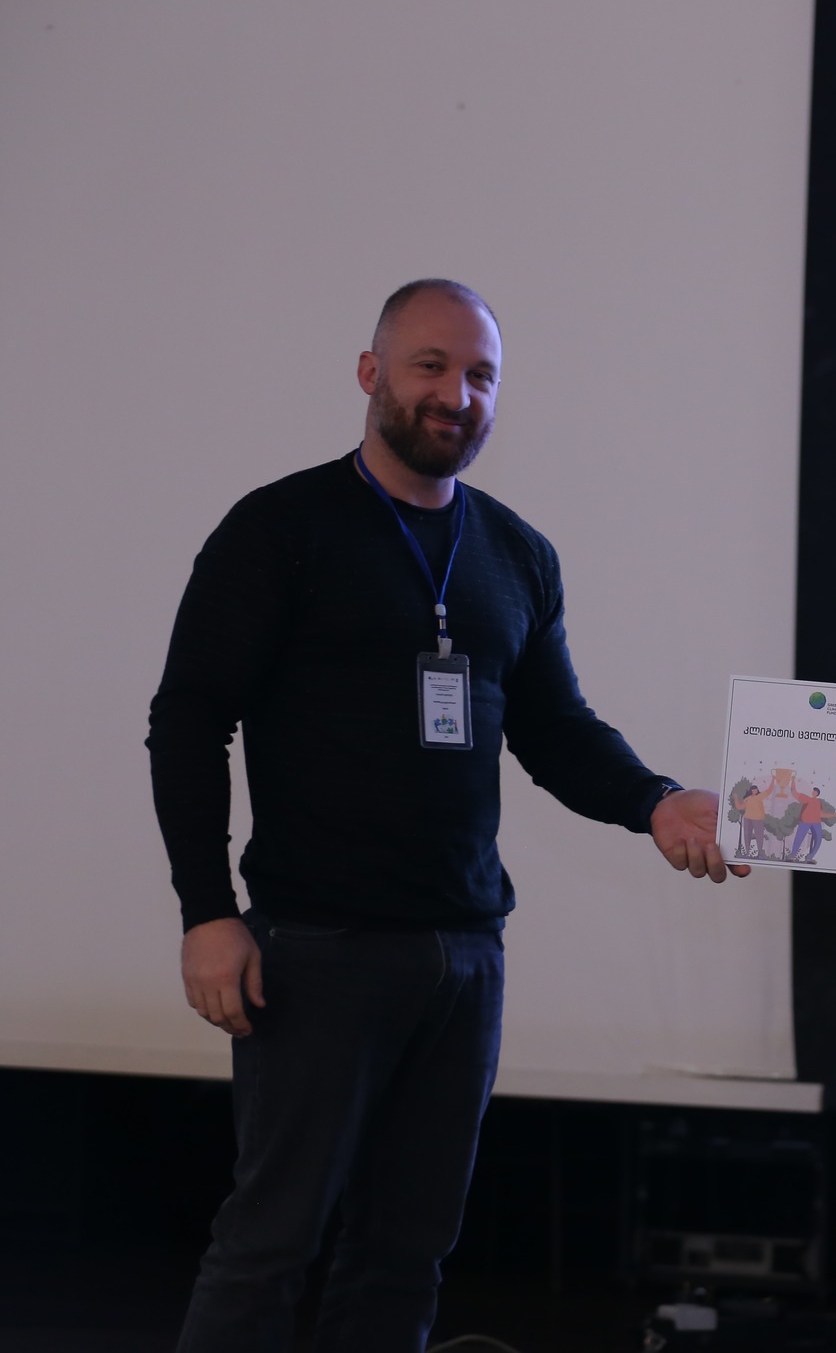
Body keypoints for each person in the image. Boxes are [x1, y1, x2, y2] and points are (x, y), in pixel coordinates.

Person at [147, 279, 745, 1351]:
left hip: (465, 955)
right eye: (430, 365)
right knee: (271, 1243)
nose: (455, 394)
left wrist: (656, 801)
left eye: (480, 375)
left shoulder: (516, 553)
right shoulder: (279, 528)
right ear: (370, 372)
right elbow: (188, 720)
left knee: (406, 1253)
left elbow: (555, 728)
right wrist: (207, 910)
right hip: (315, 949)